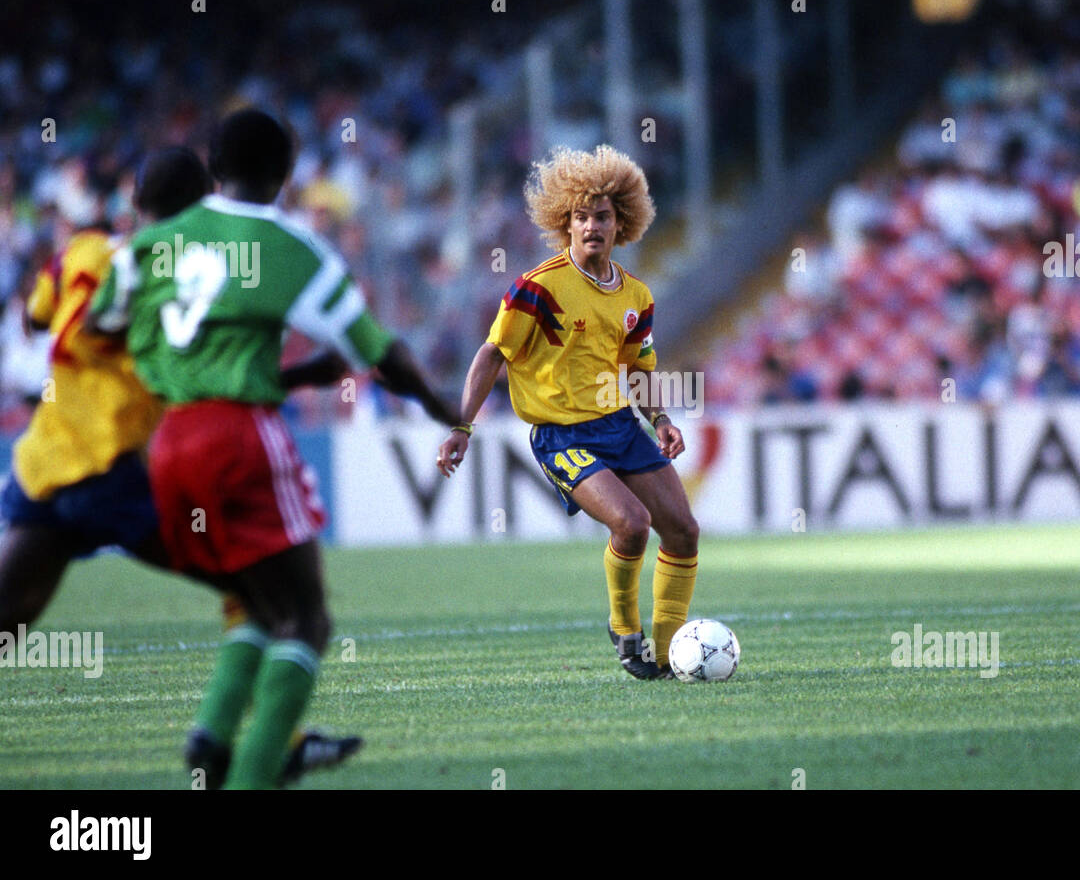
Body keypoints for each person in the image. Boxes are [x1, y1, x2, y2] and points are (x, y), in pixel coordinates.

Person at [89, 111, 459, 788]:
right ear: (287, 171)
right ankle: (252, 777)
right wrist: (442, 407)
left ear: (212, 163)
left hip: (167, 445)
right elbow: (380, 353)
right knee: (306, 617)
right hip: (238, 437)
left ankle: (213, 728)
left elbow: (101, 323)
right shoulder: (290, 243)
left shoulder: (150, 245)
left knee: (257, 603)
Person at [0, 146, 361, 786]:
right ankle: (272, 743)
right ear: (205, 209)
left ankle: (247, 738)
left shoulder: (85, 250)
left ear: (135, 207)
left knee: (10, 611)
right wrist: (306, 372)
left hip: (43, 464)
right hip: (114, 471)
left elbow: (35, 316)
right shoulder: (176, 279)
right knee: (261, 593)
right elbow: (211, 376)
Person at [436, 145, 699, 679]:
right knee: (631, 523)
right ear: (566, 223)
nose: (592, 226)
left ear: (621, 222)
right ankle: (627, 633)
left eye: (602, 216)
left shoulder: (637, 297)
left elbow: (639, 369)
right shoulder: (538, 289)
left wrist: (662, 421)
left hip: (620, 426)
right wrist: (463, 425)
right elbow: (492, 353)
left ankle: (672, 654)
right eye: (581, 216)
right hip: (561, 435)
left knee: (684, 529)